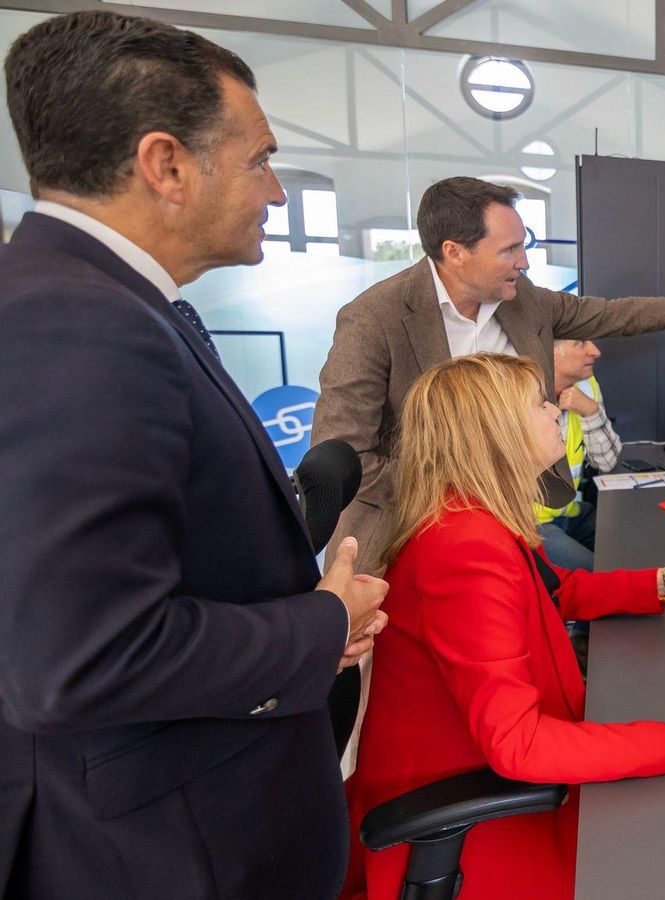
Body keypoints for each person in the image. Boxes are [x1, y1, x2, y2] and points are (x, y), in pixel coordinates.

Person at [0, 11, 387, 899]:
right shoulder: (80, 326)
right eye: (259, 160)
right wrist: (322, 623)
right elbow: (81, 657)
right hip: (178, 848)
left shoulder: (105, 304)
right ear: (166, 164)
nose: (278, 193)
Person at [343, 353, 665, 900]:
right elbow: (518, 746)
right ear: (498, 433)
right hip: (475, 822)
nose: (553, 409)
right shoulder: (463, 549)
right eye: (539, 404)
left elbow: (554, 590)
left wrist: (664, 580)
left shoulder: (468, 517)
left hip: (491, 773)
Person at [312, 176, 665, 577]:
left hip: (501, 526)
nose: (525, 261)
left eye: (524, 245)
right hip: (398, 536)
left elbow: (616, 315)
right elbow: (342, 453)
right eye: (510, 249)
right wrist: (451, 502)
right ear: (454, 252)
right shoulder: (375, 318)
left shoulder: (523, 300)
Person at [536, 338, 620, 570]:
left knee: (632, 543)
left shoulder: (587, 385)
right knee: (597, 574)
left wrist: (590, 410)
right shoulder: (519, 394)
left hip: (570, 511)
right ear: (551, 352)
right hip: (531, 524)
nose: (596, 351)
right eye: (580, 343)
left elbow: (607, 461)